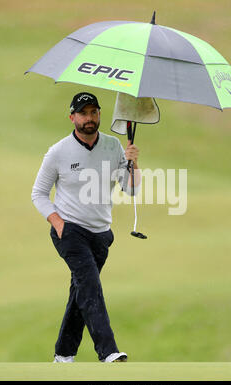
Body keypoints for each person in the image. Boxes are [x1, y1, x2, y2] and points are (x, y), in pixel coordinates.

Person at [31, 92, 141, 363]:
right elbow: (39, 194)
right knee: (90, 286)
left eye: (94, 112)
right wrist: (58, 224)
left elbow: (131, 189)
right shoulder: (58, 152)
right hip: (70, 232)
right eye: (83, 113)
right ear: (72, 117)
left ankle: (63, 354)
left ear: (99, 115)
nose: (89, 118)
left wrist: (133, 162)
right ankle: (108, 351)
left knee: (80, 291)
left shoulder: (114, 147)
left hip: (102, 234)